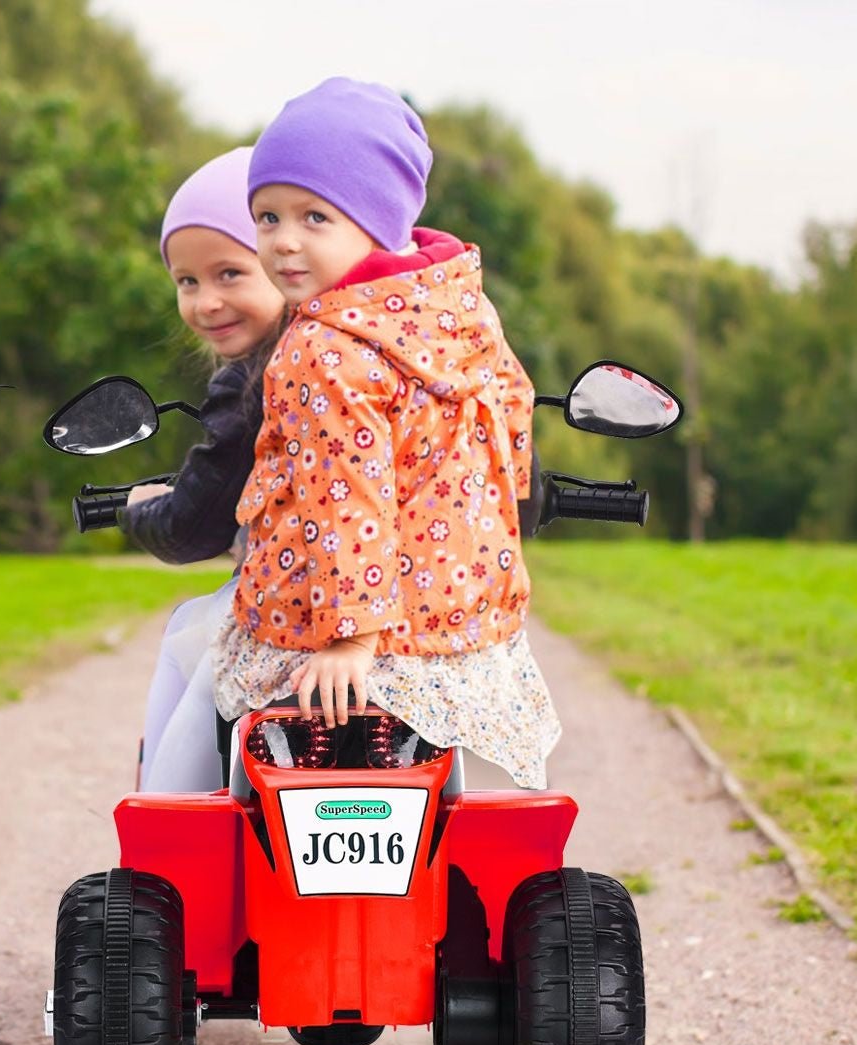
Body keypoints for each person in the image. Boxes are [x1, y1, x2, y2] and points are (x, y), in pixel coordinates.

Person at [210, 78, 559, 787]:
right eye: (266, 217)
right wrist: (496, 512)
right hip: (454, 619)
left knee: (249, 759)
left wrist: (351, 638)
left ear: (376, 218)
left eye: (314, 217)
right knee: (438, 802)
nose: (283, 242)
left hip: (333, 627)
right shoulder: (457, 308)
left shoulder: (322, 346)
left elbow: (345, 495)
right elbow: (510, 410)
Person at [127, 146, 286, 791]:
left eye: (229, 273)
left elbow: (196, 523)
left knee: (186, 639)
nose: (206, 302)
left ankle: (157, 828)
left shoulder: (254, 382)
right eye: (187, 282)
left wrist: (144, 513)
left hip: (289, 615)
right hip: (408, 619)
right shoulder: (366, 356)